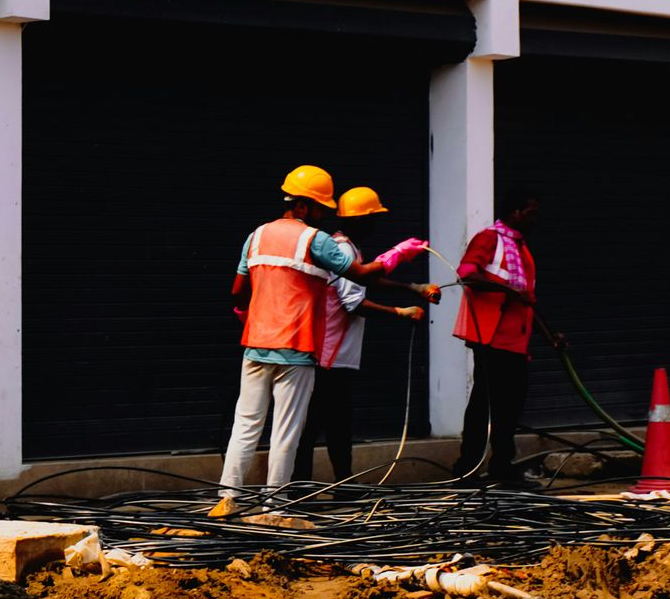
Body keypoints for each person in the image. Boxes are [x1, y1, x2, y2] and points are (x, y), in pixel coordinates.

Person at [219, 166, 427, 495]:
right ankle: (276, 506)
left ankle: (227, 499)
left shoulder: (255, 236)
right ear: (301, 206)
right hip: (297, 347)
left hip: (256, 344)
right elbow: (360, 274)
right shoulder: (315, 240)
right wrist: (398, 255)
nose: (324, 215)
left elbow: (237, 293)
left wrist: (250, 314)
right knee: (286, 431)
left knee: (245, 425)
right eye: (320, 208)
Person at [292, 187, 441, 484]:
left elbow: (365, 278)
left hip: (334, 356)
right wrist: (400, 312)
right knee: (321, 426)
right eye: (374, 217)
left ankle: (338, 484)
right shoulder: (345, 249)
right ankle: (304, 488)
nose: (377, 224)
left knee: (335, 424)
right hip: (330, 358)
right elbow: (355, 303)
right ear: (361, 219)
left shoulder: (346, 247)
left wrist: (412, 288)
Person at [449, 188, 542, 482]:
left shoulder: (520, 247)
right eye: (530, 213)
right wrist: (507, 289)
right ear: (515, 211)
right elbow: (466, 273)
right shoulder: (489, 239)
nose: (534, 219)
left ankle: (501, 466)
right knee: (484, 405)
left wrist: (549, 334)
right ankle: (468, 467)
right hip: (491, 338)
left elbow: (526, 300)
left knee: (510, 407)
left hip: (516, 340)